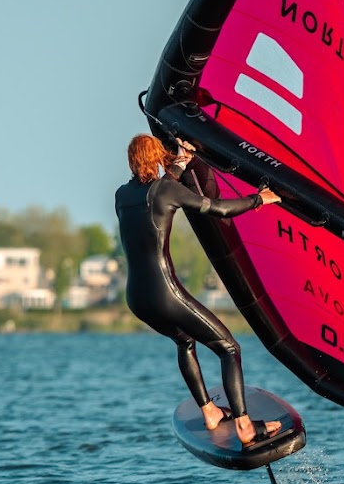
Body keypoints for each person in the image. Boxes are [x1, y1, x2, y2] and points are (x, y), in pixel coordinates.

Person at [115, 134, 283, 446]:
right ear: (154, 159)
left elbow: (159, 192)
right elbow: (217, 209)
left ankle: (210, 411)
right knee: (229, 349)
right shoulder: (164, 189)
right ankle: (245, 426)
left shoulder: (122, 195)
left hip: (136, 297)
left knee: (185, 340)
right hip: (166, 293)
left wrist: (180, 161)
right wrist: (259, 199)